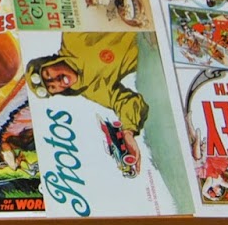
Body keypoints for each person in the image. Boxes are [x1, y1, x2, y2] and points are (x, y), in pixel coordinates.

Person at [27, 33, 148, 166]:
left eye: (48, 74)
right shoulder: (92, 90)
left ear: (50, 62)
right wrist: (128, 132)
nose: (57, 81)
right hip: (151, 50)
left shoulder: (73, 38)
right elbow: (125, 102)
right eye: (53, 87)